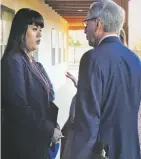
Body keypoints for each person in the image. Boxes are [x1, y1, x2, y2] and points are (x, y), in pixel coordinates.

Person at [69, 0, 141, 159]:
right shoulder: (135, 60)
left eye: (87, 22)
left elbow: (87, 123)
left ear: (98, 23)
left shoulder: (92, 59)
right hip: (130, 151)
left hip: (102, 153)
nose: (84, 29)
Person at [1, 8, 62, 159]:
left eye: (40, 29)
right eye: (34, 29)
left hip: (37, 140)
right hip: (23, 145)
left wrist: (53, 125)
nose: (39, 34)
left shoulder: (33, 62)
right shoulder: (14, 61)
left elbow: (49, 95)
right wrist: (49, 130)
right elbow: (19, 107)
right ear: (21, 31)